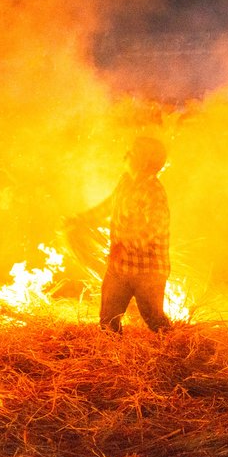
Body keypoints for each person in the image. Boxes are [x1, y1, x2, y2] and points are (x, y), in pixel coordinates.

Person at [73, 135, 173, 333]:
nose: (126, 154)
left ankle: (178, 352)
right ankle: (112, 359)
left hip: (148, 271)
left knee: (154, 320)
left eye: (133, 152)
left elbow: (154, 228)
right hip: (120, 266)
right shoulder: (126, 181)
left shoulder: (153, 191)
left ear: (143, 161)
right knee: (108, 320)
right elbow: (110, 205)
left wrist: (125, 244)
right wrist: (81, 219)